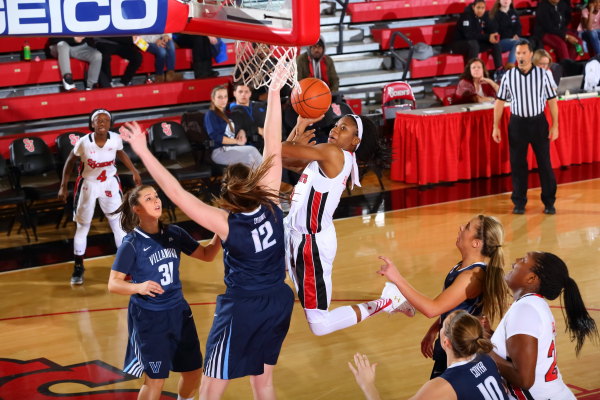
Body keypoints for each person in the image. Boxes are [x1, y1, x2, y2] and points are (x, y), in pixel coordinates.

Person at [119, 63, 295, 400]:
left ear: (229, 193)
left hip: (244, 305)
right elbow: (273, 140)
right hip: (279, 299)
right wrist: (273, 91)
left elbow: (177, 194)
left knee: (212, 388)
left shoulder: (226, 223)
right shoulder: (272, 199)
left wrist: (142, 150)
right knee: (263, 382)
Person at [283, 112, 413, 337]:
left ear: (355, 141)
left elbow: (279, 151)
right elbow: (285, 159)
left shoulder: (333, 153)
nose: (334, 129)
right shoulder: (331, 155)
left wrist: (297, 130)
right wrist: (298, 127)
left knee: (320, 325)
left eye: (343, 128)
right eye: (336, 125)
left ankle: (388, 300)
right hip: (292, 235)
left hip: (310, 246)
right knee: (262, 276)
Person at [108, 185, 220, 400]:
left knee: (193, 371)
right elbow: (113, 283)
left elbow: (206, 255)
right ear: (136, 208)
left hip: (179, 312)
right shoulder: (132, 243)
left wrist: (220, 231)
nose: (156, 201)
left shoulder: (174, 233)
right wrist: (138, 287)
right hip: (149, 318)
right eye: (148, 199)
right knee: (155, 380)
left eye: (157, 196)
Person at [377, 215, 509, 378]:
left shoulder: (471, 277)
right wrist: (434, 329)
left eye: (467, 227)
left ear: (476, 243)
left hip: (460, 354)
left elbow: (432, 309)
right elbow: (451, 306)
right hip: (451, 344)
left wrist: (397, 278)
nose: (461, 227)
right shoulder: (463, 267)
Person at [490, 252, 598, 399]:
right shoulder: (532, 305)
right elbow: (512, 351)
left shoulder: (526, 310)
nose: (515, 261)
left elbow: (524, 379)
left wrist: (483, 350)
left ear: (531, 278)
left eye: (522, 259)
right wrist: (486, 335)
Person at [58, 109, 142, 285]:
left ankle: (125, 267)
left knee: (119, 224)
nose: (102, 122)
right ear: (92, 124)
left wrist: (134, 170)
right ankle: (79, 266)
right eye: (98, 120)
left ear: (110, 123)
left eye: (106, 119)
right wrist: (63, 185)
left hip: (110, 183)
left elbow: (120, 152)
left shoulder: (116, 139)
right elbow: (70, 161)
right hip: (88, 184)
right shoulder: (83, 142)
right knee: (83, 226)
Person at [349, 310, 508, 400]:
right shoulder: (486, 358)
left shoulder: (444, 386)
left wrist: (367, 384)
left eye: (442, 326)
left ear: (446, 342)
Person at [492, 39, 559, 215]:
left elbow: (552, 101)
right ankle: (519, 202)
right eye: (518, 53)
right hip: (517, 124)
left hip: (538, 122)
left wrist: (555, 125)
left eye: (523, 53)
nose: (520, 56)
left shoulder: (542, 75)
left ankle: (549, 201)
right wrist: (495, 126)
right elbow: (499, 102)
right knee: (518, 164)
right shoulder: (508, 76)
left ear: (530, 54)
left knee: (544, 163)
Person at [205, 84, 263, 167]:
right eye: (220, 97)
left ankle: (261, 179)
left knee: (250, 162)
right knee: (251, 151)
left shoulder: (229, 113)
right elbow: (216, 137)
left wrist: (242, 131)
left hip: (233, 149)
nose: (223, 100)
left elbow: (240, 127)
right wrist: (237, 141)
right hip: (220, 151)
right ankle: (268, 178)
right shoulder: (211, 114)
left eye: (225, 97)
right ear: (213, 99)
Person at [451, 0, 503, 73]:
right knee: (474, 44)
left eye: (483, 8)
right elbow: (468, 35)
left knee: (494, 43)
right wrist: (488, 37)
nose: (480, 10)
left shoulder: (484, 16)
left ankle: (499, 71)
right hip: (458, 44)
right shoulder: (466, 16)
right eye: (478, 8)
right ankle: (470, 73)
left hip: (474, 43)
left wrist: (493, 34)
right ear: (473, 7)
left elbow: (490, 28)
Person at [229, 81, 267, 151]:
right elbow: (236, 130)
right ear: (234, 93)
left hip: (266, 143)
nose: (243, 94)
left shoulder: (260, 106)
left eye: (246, 92)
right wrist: (257, 129)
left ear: (250, 93)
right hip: (245, 147)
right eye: (240, 92)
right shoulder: (230, 111)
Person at [489, 0, 521, 66]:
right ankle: (510, 66)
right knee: (518, 43)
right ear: (499, 1)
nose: (505, 1)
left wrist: (516, 35)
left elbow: (518, 27)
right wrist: (511, 37)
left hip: (514, 39)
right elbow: (495, 31)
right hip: (501, 41)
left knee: (527, 42)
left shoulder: (514, 13)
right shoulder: (495, 14)